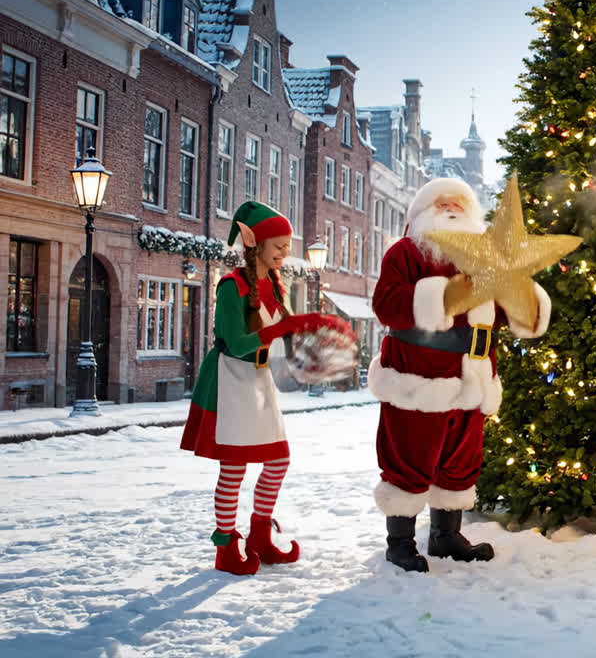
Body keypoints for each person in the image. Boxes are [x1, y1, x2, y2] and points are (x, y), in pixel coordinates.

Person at [368, 177, 553, 572]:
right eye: (441, 203)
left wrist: (524, 299)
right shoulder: (405, 252)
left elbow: (506, 311)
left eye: (459, 204)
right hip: (418, 380)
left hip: (473, 377)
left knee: (460, 461)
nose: (451, 208)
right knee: (409, 458)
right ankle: (399, 543)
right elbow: (386, 304)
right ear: (421, 213)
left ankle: (445, 535)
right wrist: (443, 295)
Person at [181, 201, 352, 575]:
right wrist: (285, 328)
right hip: (231, 379)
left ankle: (259, 535)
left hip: (258, 380)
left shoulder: (275, 283)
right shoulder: (231, 286)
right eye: (278, 246)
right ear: (254, 243)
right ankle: (225, 548)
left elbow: (286, 331)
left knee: (277, 460)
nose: (284, 253)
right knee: (234, 467)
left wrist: (322, 328)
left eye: (287, 247)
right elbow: (237, 342)